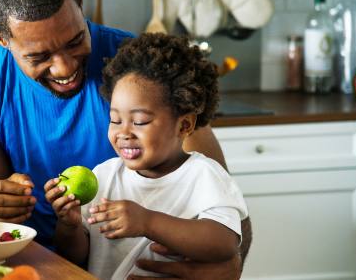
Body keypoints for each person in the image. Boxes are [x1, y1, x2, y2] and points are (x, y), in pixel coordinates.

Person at [0, 0, 252, 279]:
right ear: (0, 39)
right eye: (39, 56)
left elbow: (231, 219)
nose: (65, 68)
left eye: (76, 40)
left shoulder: (141, 72)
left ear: (80, 2)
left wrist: (227, 270)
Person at [44, 33, 248, 279]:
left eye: (140, 121)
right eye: (115, 120)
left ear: (184, 126)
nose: (123, 132)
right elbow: (77, 257)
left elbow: (224, 243)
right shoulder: (104, 176)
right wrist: (69, 225)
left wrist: (147, 222)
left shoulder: (204, 175)